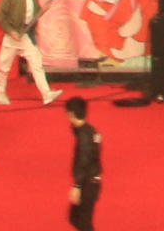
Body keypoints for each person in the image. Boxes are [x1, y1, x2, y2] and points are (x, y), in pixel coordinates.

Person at [0, 0, 54, 105]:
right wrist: (11, 31)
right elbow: (0, 18)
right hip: (12, 36)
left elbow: (35, 15)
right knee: (4, 65)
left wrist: (43, 10)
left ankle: (46, 93)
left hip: (26, 35)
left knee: (36, 64)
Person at [65, 95, 101, 231]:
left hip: (88, 183)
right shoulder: (90, 131)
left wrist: (77, 185)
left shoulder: (84, 136)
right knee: (77, 218)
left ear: (71, 114)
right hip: (93, 181)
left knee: (82, 221)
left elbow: (84, 160)